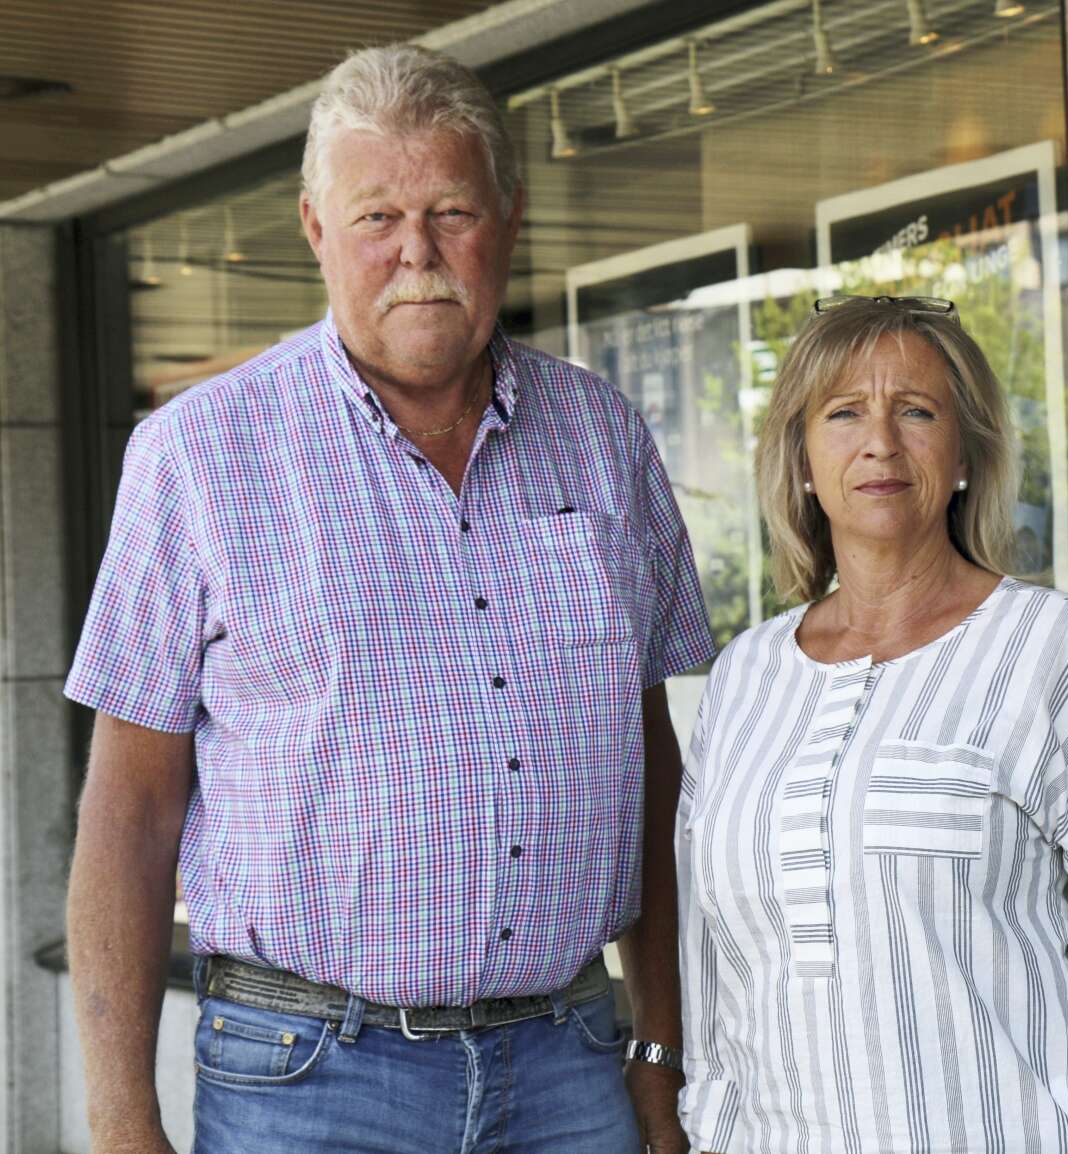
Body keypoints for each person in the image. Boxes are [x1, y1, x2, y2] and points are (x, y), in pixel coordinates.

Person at [63, 44, 712, 1154]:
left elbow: (649, 768)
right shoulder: (197, 454)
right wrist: (124, 1123)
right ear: (315, 228)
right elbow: (129, 813)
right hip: (307, 1080)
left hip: (570, 1065)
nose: (417, 250)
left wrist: (661, 1049)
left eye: (452, 210)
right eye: (377, 217)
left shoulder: (605, 435)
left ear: (509, 218)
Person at [675, 296, 1068, 1154]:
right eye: (843, 413)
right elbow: (711, 961)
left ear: (965, 453)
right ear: (802, 459)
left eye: (916, 411)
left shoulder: (1050, 648)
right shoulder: (745, 674)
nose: (879, 442)